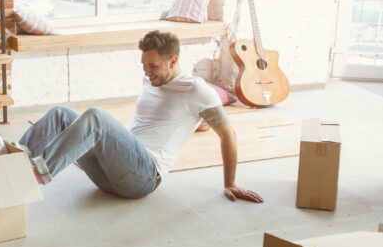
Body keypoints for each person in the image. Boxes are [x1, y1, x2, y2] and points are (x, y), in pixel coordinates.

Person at [19, 30, 263, 203]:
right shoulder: (151, 79)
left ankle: (36, 175)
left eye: (153, 66)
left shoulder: (196, 89)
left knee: (95, 117)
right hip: (112, 173)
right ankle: (10, 160)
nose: (147, 72)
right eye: (144, 65)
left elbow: (227, 133)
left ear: (173, 60)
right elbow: (166, 117)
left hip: (143, 177)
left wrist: (229, 183)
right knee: (60, 113)